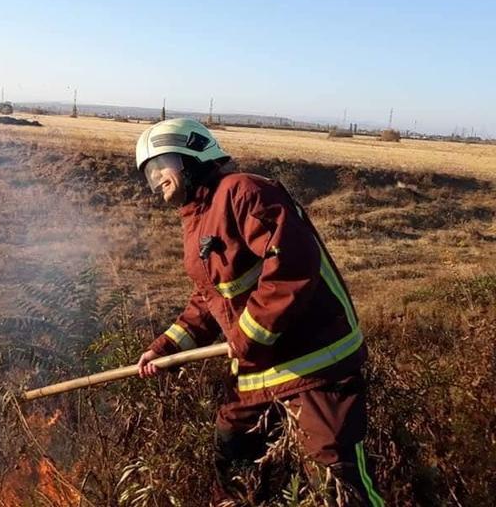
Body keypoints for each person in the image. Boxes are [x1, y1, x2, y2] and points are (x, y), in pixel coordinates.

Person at [135, 118, 384, 506]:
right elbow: (212, 296)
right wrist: (165, 348)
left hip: (313, 364)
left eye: (161, 165)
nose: (156, 178)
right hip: (258, 372)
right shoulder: (198, 219)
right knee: (234, 454)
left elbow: (291, 265)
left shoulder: (244, 191)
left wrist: (248, 336)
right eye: (149, 171)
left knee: (335, 481)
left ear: (191, 157)